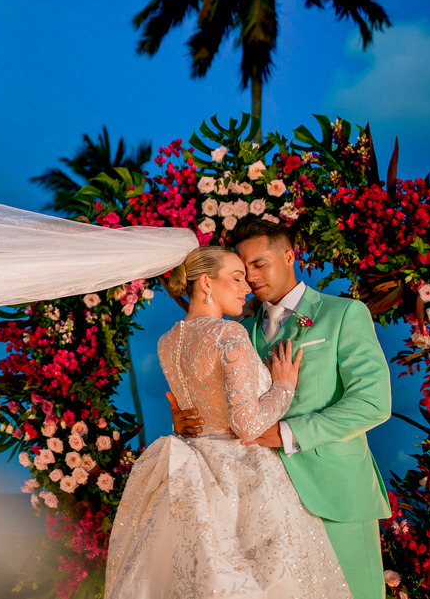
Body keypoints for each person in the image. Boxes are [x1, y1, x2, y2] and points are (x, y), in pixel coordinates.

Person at [105, 245, 352, 599]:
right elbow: (246, 425)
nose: (246, 287)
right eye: (236, 278)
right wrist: (283, 387)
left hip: (193, 468)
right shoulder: (229, 334)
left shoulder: (167, 342)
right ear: (206, 283)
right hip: (241, 474)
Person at [169, 219, 391, 599]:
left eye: (259, 264)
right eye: (243, 269)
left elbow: (372, 403)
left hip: (334, 494)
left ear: (289, 256)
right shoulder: (240, 330)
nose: (252, 277)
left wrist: (287, 433)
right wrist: (189, 418)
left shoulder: (344, 313)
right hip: (265, 504)